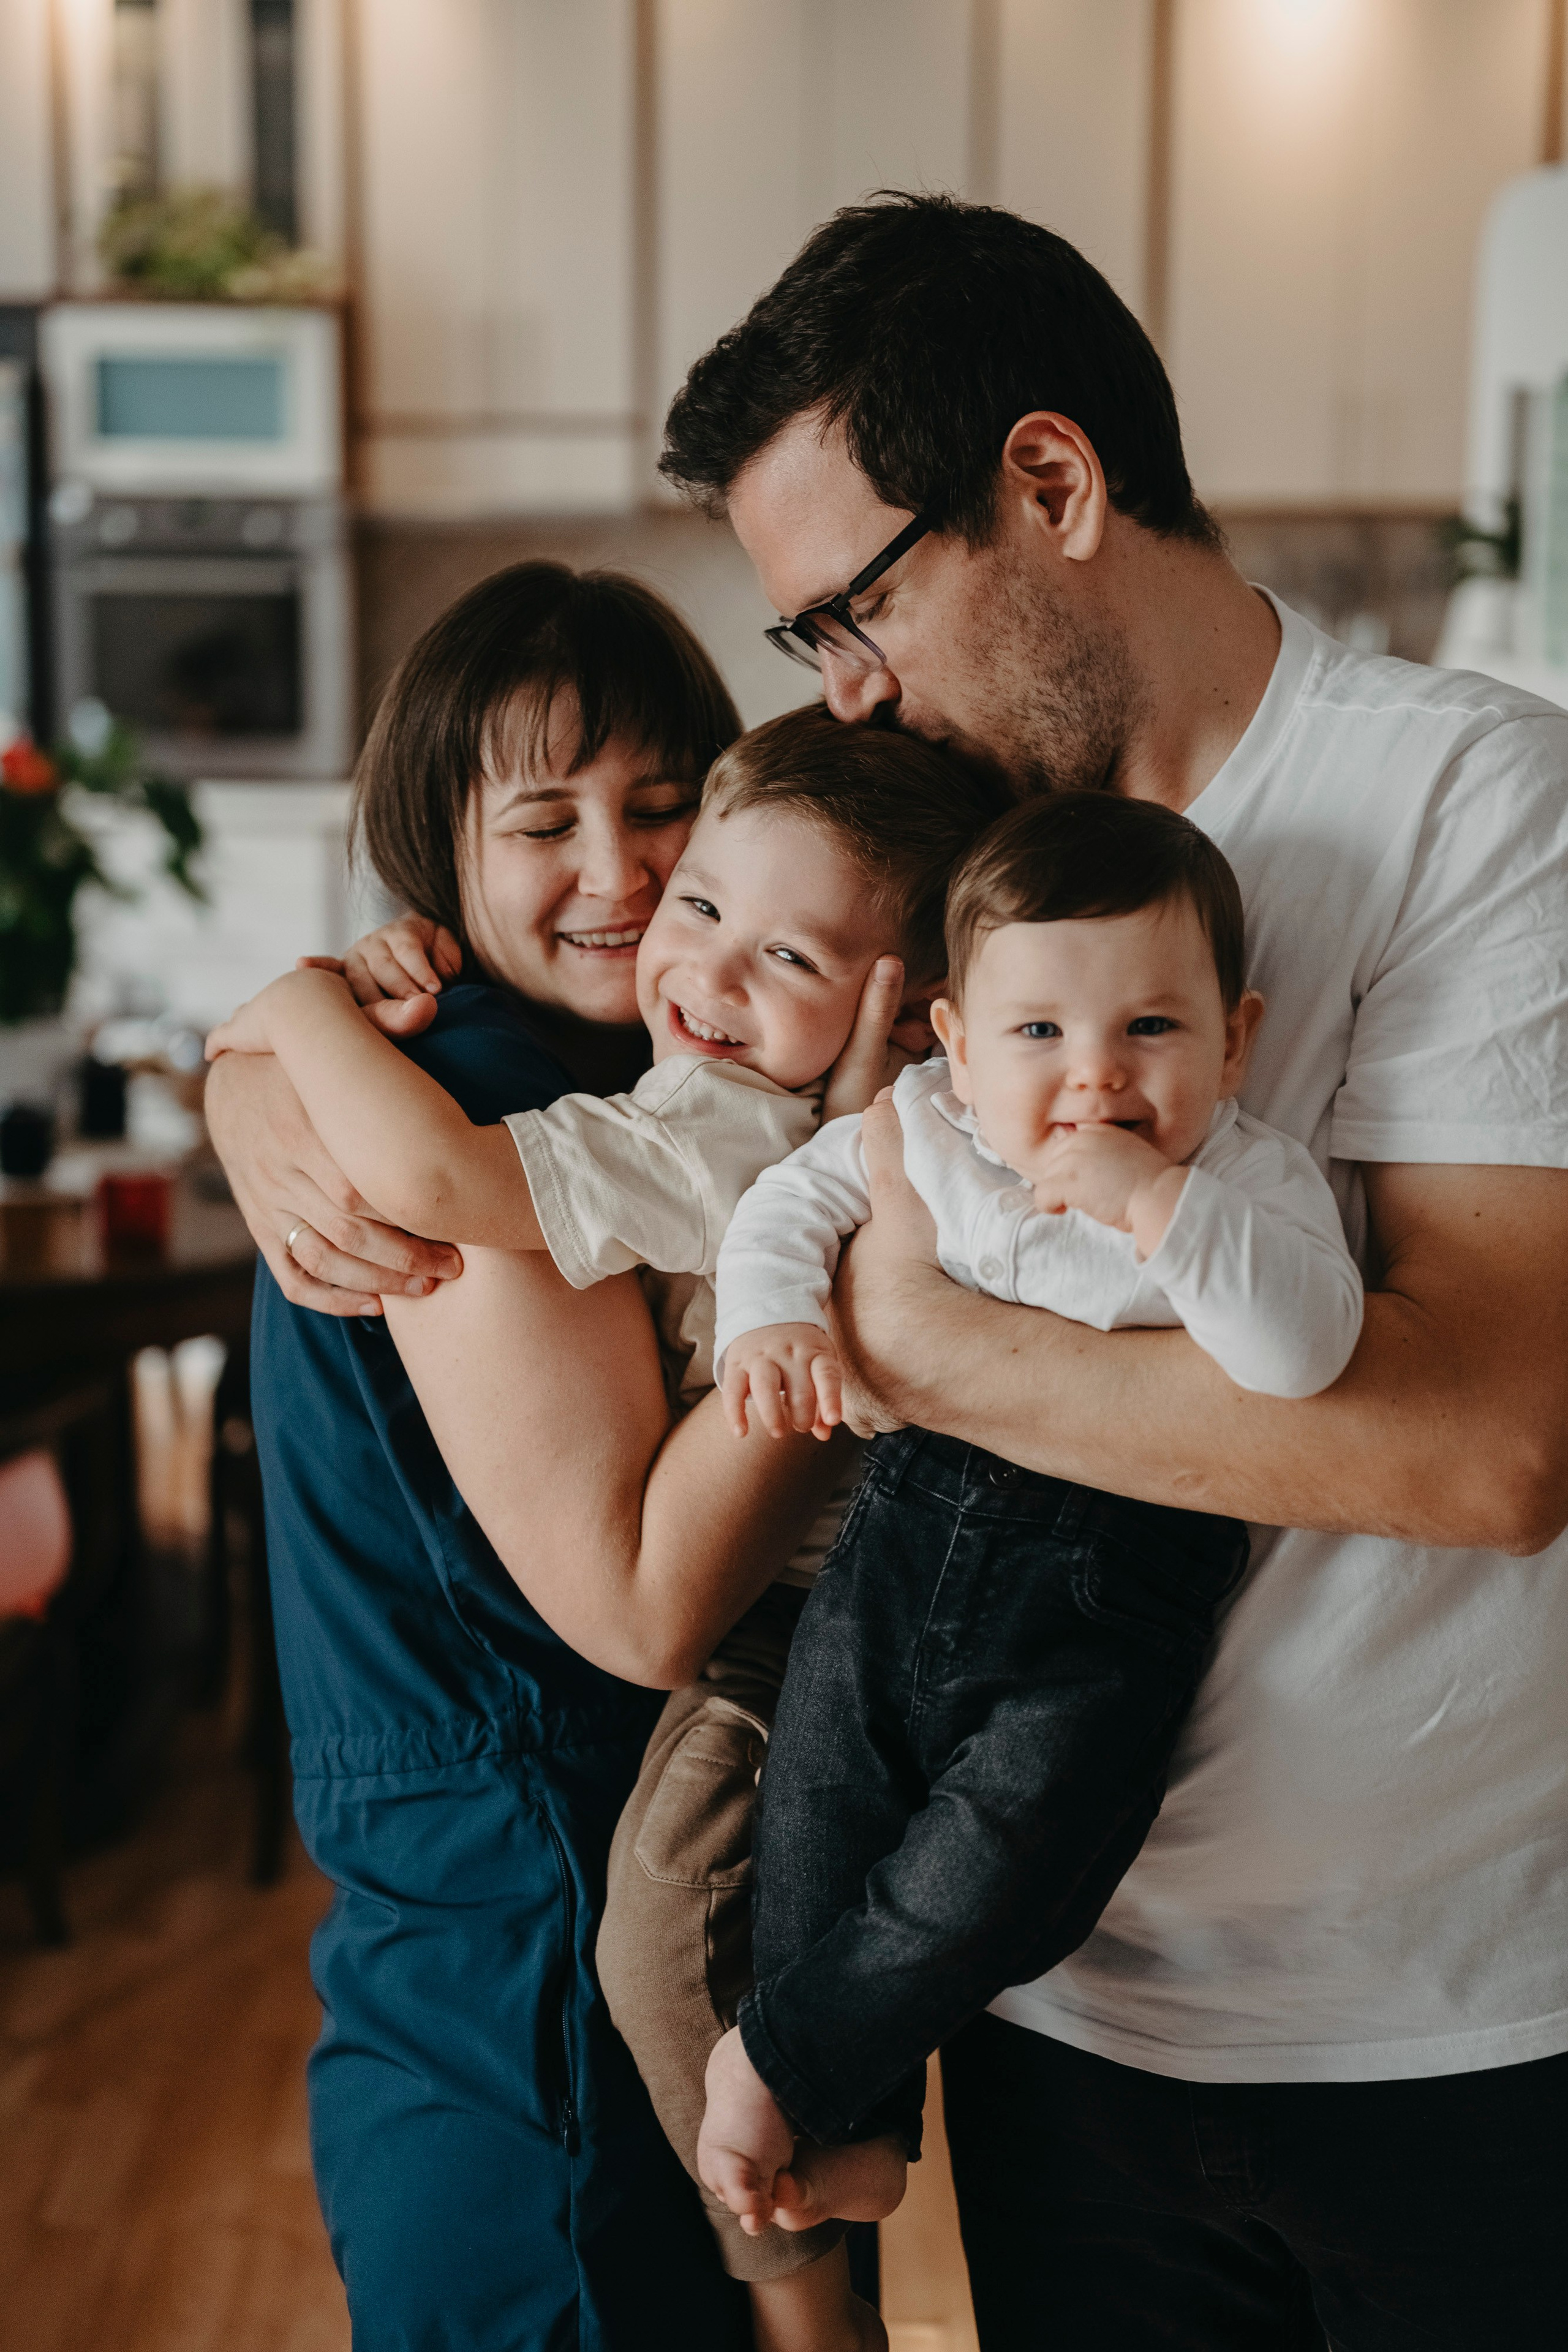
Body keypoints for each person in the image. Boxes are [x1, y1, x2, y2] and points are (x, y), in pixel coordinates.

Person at [656, 192, 1568, 2348]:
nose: (851, 688)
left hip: (1454, 2033)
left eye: (854, 610)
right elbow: (640, 1051)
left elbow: (1500, 1450)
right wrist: (285, 1059)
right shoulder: (942, 878)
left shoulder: (1470, 802)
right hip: (1062, 2012)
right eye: (811, 648)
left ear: (1050, 483)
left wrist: (909, 1327)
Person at [207, 702, 1008, 2352]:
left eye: (657, 816)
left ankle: (810, 2283)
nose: (636, 892)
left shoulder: (712, 1118)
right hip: (502, 1929)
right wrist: (256, 1071)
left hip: (733, 1704)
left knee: (699, 1943)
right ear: (441, 846)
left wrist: (281, 1016)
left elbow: (443, 1184)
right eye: (543, 821)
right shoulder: (673, 1088)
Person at [699, 790, 1361, 2227]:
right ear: (952, 1041)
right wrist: (765, 1329)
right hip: (900, 1537)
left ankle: (788, 2057)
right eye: (1038, 1033)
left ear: (1235, 1038)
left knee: (1007, 1859)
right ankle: (858, 2123)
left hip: (1110, 1583)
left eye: (1151, 1030)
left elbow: (1303, 1352)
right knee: (818, 1800)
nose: (1094, 1080)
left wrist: (1156, 1208)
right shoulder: (921, 1129)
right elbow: (783, 1213)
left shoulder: (1245, 1178)